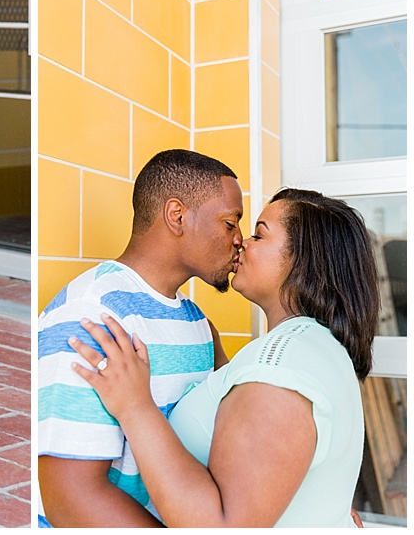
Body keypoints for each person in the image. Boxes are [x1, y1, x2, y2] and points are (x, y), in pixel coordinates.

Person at [71, 188, 378, 527]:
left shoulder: (279, 365)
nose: (241, 242)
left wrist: (135, 407)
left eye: (259, 234)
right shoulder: (314, 347)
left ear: (303, 260)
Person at [36, 149, 244, 527]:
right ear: (177, 216)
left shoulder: (199, 325)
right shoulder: (93, 315)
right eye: (230, 223)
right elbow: (69, 500)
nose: (239, 240)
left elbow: (236, 434)